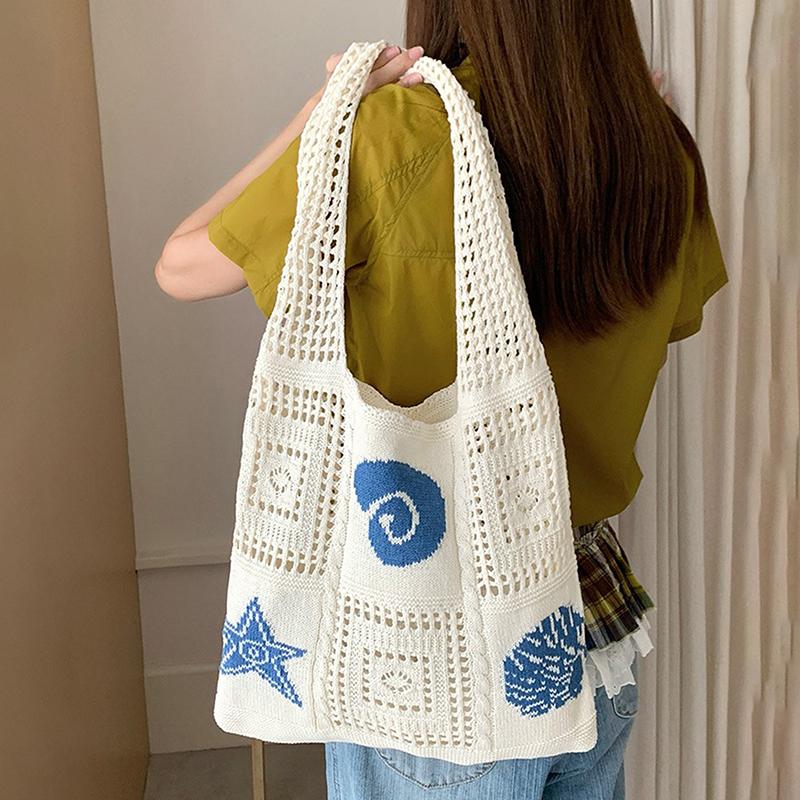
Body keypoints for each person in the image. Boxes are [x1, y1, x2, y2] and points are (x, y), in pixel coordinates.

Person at [155, 2, 729, 797]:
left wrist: (320, 117)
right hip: (589, 624)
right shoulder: (657, 148)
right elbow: (666, 328)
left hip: (432, 658)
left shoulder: (392, 134)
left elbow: (180, 265)